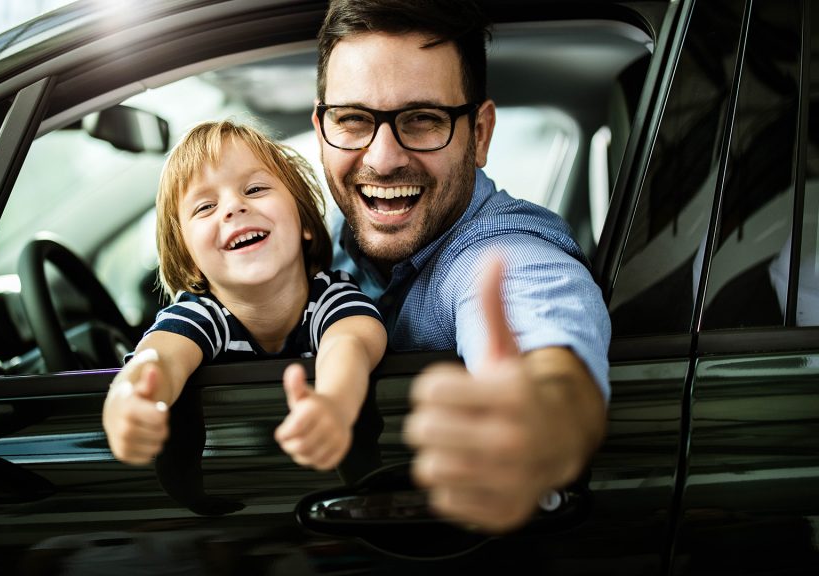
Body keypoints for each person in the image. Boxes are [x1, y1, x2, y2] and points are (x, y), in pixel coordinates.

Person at [313, 0, 612, 532]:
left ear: (479, 134)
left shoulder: (505, 255)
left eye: (423, 119)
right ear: (321, 130)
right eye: (354, 120)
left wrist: (531, 431)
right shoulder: (316, 241)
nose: (382, 159)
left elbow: (549, 362)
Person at [102, 120, 387, 472]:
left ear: (306, 222)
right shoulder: (202, 316)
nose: (233, 207)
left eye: (254, 189)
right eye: (205, 207)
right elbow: (159, 359)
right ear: (189, 259)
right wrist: (127, 397)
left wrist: (333, 403)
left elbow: (350, 345)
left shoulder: (332, 296)